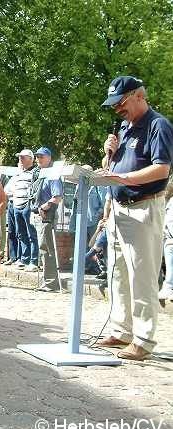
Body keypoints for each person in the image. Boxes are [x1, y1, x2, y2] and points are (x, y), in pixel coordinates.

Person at [96, 75, 173, 360]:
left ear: (139, 95)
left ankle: (143, 339)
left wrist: (123, 176)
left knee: (142, 276)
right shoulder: (125, 129)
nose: (117, 110)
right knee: (118, 273)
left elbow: (161, 169)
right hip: (119, 208)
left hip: (143, 207)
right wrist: (109, 156)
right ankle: (121, 329)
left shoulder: (158, 125)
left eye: (121, 103)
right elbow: (111, 168)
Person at [30, 146, 63, 292]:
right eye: (37, 157)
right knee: (42, 248)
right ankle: (46, 281)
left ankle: (50, 283)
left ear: (49, 158)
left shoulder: (53, 174)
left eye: (41, 156)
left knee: (47, 248)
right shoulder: (40, 174)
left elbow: (57, 197)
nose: (38, 159)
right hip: (38, 215)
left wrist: (44, 207)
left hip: (46, 215)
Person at [12, 149, 39, 271]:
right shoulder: (19, 173)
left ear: (30, 159)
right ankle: (24, 258)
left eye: (23, 157)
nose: (20, 160)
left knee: (31, 234)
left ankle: (34, 260)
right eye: (20, 157)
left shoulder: (35, 172)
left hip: (28, 205)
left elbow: (36, 190)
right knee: (21, 234)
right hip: (17, 205)